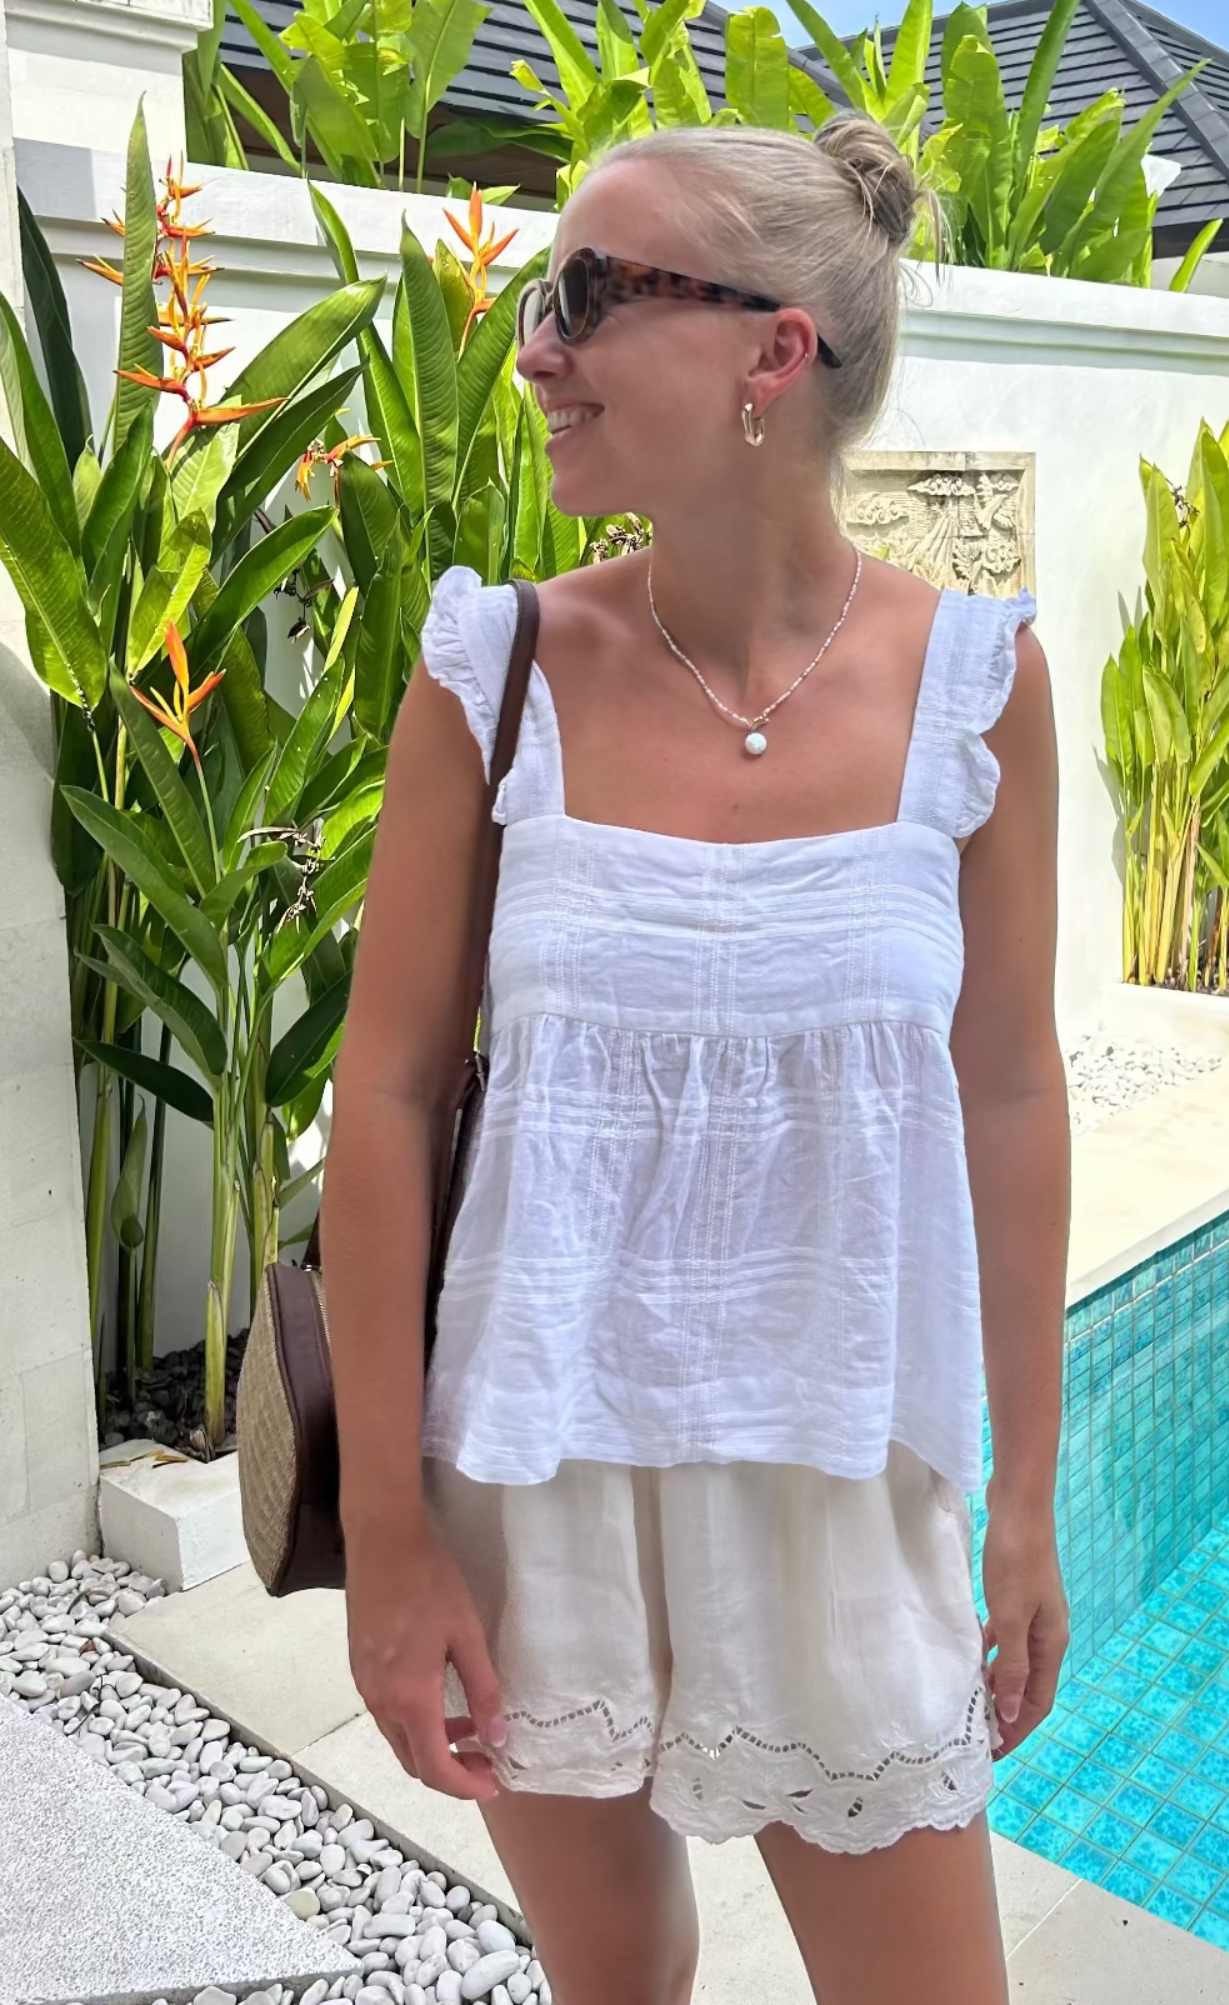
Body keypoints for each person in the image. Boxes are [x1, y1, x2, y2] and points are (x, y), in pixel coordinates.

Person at [323, 115, 1070, 2005]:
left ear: (772, 351)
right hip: (537, 1472)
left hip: (841, 1479)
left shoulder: (977, 687)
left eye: (587, 294)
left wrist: (1031, 1493)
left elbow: (1010, 1085)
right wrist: (392, 1542)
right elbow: (387, 1096)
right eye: (540, 299)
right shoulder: (493, 671)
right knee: (620, 1982)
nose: (536, 348)